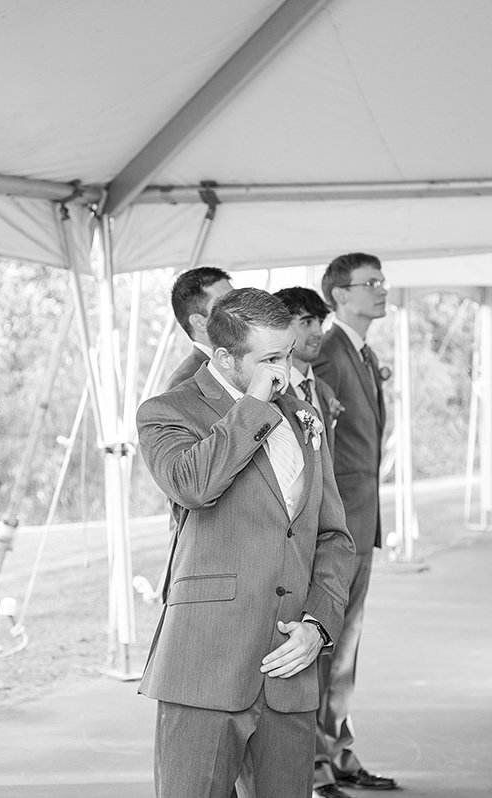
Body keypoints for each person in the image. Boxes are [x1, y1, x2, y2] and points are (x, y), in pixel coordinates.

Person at [137, 287, 356, 798]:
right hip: (205, 663)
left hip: (289, 666)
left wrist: (318, 627)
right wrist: (254, 403)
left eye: (288, 352)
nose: (287, 368)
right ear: (223, 357)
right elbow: (194, 484)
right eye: (271, 359)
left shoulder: (303, 413)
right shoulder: (167, 411)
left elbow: (332, 536)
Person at [310, 253, 397, 795]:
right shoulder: (328, 352)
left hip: (363, 522)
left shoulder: (362, 353)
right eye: (371, 283)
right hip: (338, 529)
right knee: (329, 643)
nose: (382, 290)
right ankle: (317, 760)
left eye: (383, 281)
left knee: (347, 646)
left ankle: (338, 749)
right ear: (340, 295)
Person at [274, 287, 342, 431]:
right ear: (280, 326)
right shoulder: (269, 390)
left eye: (320, 322)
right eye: (307, 322)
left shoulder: (325, 390)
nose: (319, 332)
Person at [164, 266, 233, 390]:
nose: (240, 309)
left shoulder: (250, 362)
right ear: (199, 322)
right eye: (226, 304)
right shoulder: (182, 385)